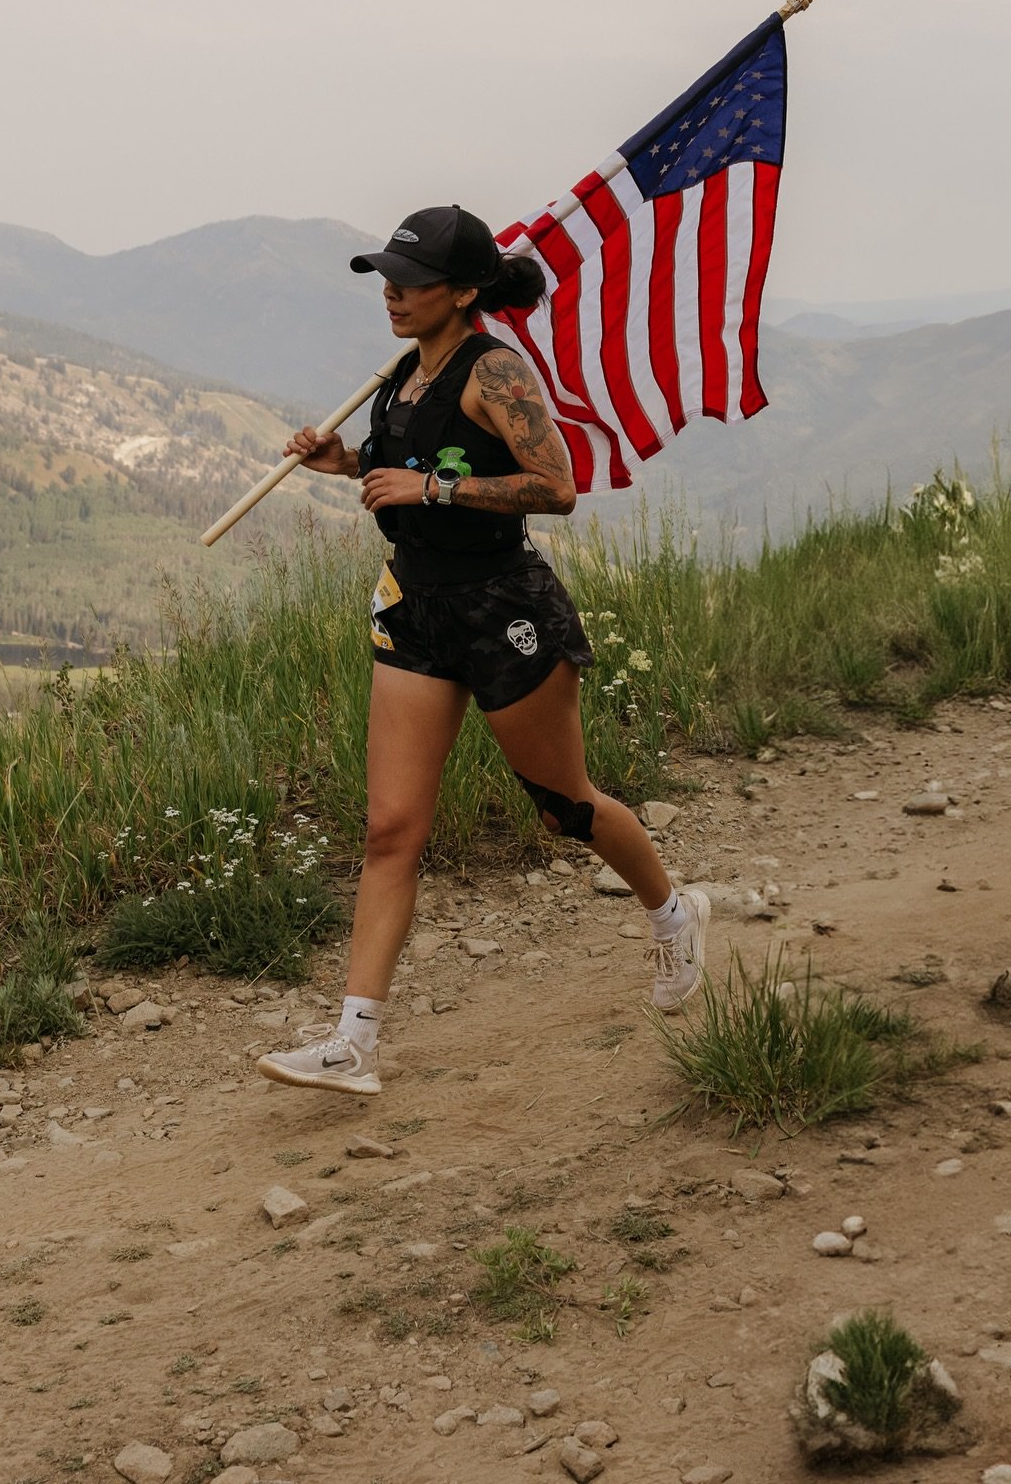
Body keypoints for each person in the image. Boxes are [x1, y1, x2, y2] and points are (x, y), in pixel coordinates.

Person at [256, 205, 709, 1096]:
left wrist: (434, 486)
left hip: (504, 609)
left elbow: (558, 487)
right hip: (415, 610)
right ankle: (354, 1042)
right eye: (386, 275)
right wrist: (347, 463)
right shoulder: (402, 372)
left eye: (412, 280)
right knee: (391, 829)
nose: (392, 292)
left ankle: (671, 911)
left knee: (563, 807)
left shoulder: (494, 368)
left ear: (462, 292)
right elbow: (402, 468)